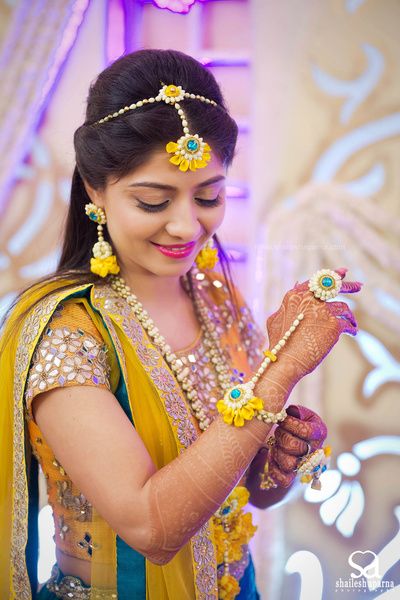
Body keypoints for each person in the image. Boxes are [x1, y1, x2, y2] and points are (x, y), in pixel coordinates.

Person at [0, 49, 362, 600]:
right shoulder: (69, 334)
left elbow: (241, 495)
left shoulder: (217, 302)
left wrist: (277, 462)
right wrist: (281, 369)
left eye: (210, 195)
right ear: (95, 191)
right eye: (152, 200)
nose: (186, 225)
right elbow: (152, 529)